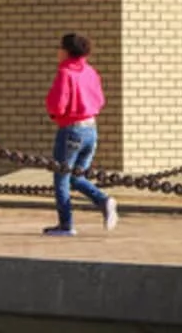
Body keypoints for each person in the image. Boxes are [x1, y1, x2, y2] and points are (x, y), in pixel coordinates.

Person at [43, 33, 119, 236]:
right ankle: (103, 200)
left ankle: (66, 225)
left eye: (59, 47)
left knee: (61, 179)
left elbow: (58, 104)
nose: (57, 51)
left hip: (71, 130)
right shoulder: (91, 72)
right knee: (76, 177)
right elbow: (100, 100)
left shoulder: (65, 72)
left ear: (67, 51)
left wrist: (55, 113)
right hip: (91, 129)